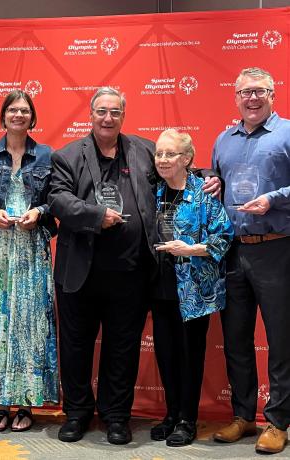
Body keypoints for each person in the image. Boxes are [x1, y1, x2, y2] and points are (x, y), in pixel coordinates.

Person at [48, 87, 221, 445]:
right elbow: (58, 200)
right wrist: (96, 216)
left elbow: (174, 169)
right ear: (90, 115)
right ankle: (77, 413)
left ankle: (116, 416)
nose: (108, 118)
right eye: (101, 112)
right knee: (76, 345)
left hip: (132, 273)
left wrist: (206, 176)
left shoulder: (143, 150)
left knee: (122, 347)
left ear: (123, 117)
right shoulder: (66, 156)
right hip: (80, 272)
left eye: (114, 112)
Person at [0, 90, 59, 432]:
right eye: (12, 110)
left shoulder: (47, 156)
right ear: (3, 116)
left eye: (24, 110)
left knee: (31, 324)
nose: (18, 115)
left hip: (32, 250)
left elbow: (57, 200)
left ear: (33, 117)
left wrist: (39, 211)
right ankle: (1, 402)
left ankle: (28, 402)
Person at [212, 67, 290, 454]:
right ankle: (243, 415)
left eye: (259, 91)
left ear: (272, 93)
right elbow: (220, 183)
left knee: (280, 338)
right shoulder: (224, 139)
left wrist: (274, 199)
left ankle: (278, 421)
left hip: (277, 248)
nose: (252, 98)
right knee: (236, 339)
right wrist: (215, 184)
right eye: (245, 92)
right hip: (233, 250)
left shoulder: (288, 133)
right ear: (236, 97)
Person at [150, 129, 233, 447]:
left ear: (187, 159)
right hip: (159, 287)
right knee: (166, 354)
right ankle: (171, 415)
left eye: (170, 154)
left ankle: (187, 419)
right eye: (159, 153)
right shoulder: (154, 192)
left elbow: (223, 237)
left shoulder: (203, 193)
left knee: (189, 355)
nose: (163, 159)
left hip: (194, 290)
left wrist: (190, 249)